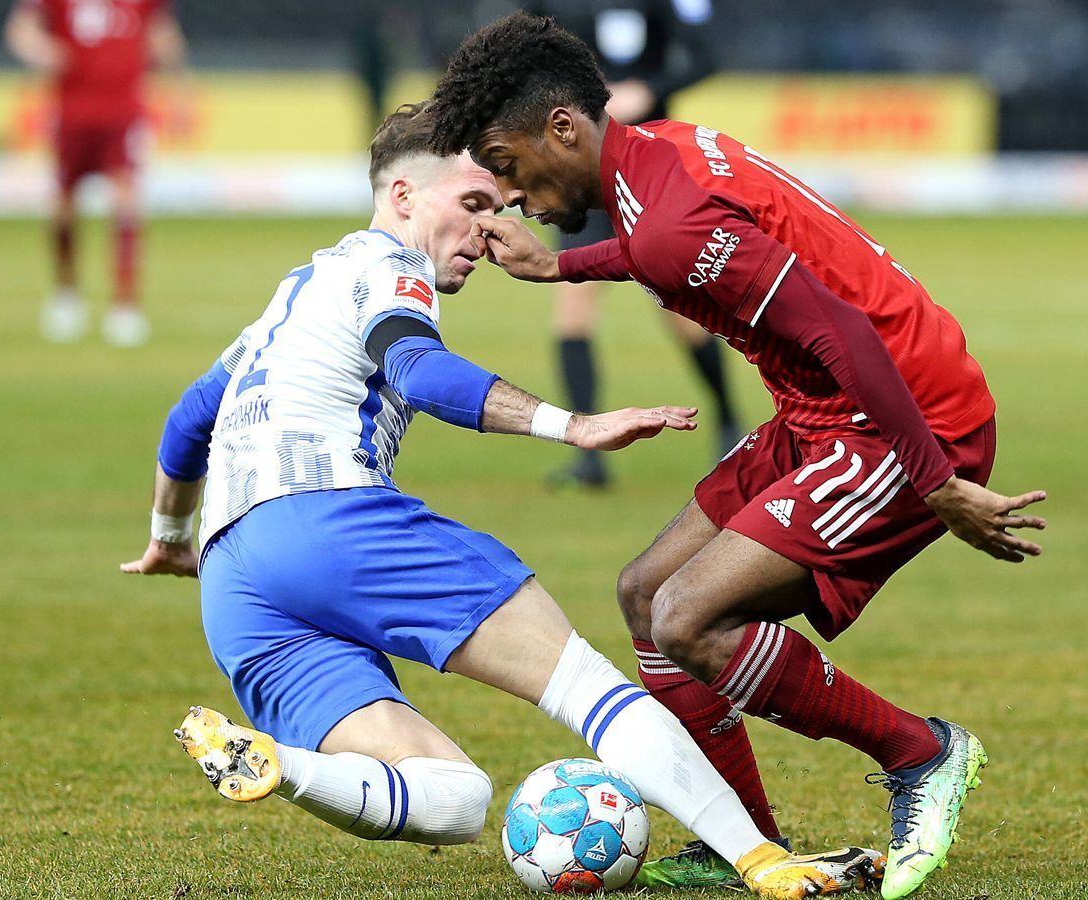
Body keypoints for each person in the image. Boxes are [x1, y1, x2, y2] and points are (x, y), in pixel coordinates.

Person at [120, 103, 886, 899]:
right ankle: (761, 860)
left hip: (234, 585)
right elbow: (417, 370)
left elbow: (187, 422)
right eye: (474, 205)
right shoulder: (392, 269)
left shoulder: (293, 297)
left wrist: (170, 536)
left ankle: (281, 768)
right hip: (332, 524)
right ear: (404, 196)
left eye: (498, 208)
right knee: (590, 689)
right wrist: (573, 425)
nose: (488, 231)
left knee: (453, 800)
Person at [427, 14, 1048, 899]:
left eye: (511, 165)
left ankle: (923, 753)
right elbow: (664, 251)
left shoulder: (668, 214)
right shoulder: (661, 155)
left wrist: (934, 478)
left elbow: (837, 330)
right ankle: (748, 842)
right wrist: (558, 272)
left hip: (903, 414)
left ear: (562, 127)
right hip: (823, 409)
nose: (516, 197)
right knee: (644, 593)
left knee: (687, 618)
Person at [528, 0, 739, 488]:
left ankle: (729, 423)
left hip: (647, 169)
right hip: (582, 175)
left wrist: (650, 89)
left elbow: (705, 58)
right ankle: (589, 453)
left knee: (681, 309)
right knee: (572, 308)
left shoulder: (660, 6)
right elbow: (531, 62)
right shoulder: (549, 7)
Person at [4, 0, 190, 347]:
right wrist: (41, 49)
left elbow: (162, 34)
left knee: (126, 201)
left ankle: (124, 305)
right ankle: (66, 293)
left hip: (123, 111)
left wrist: (180, 91)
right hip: (72, 112)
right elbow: (21, 30)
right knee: (62, 207)